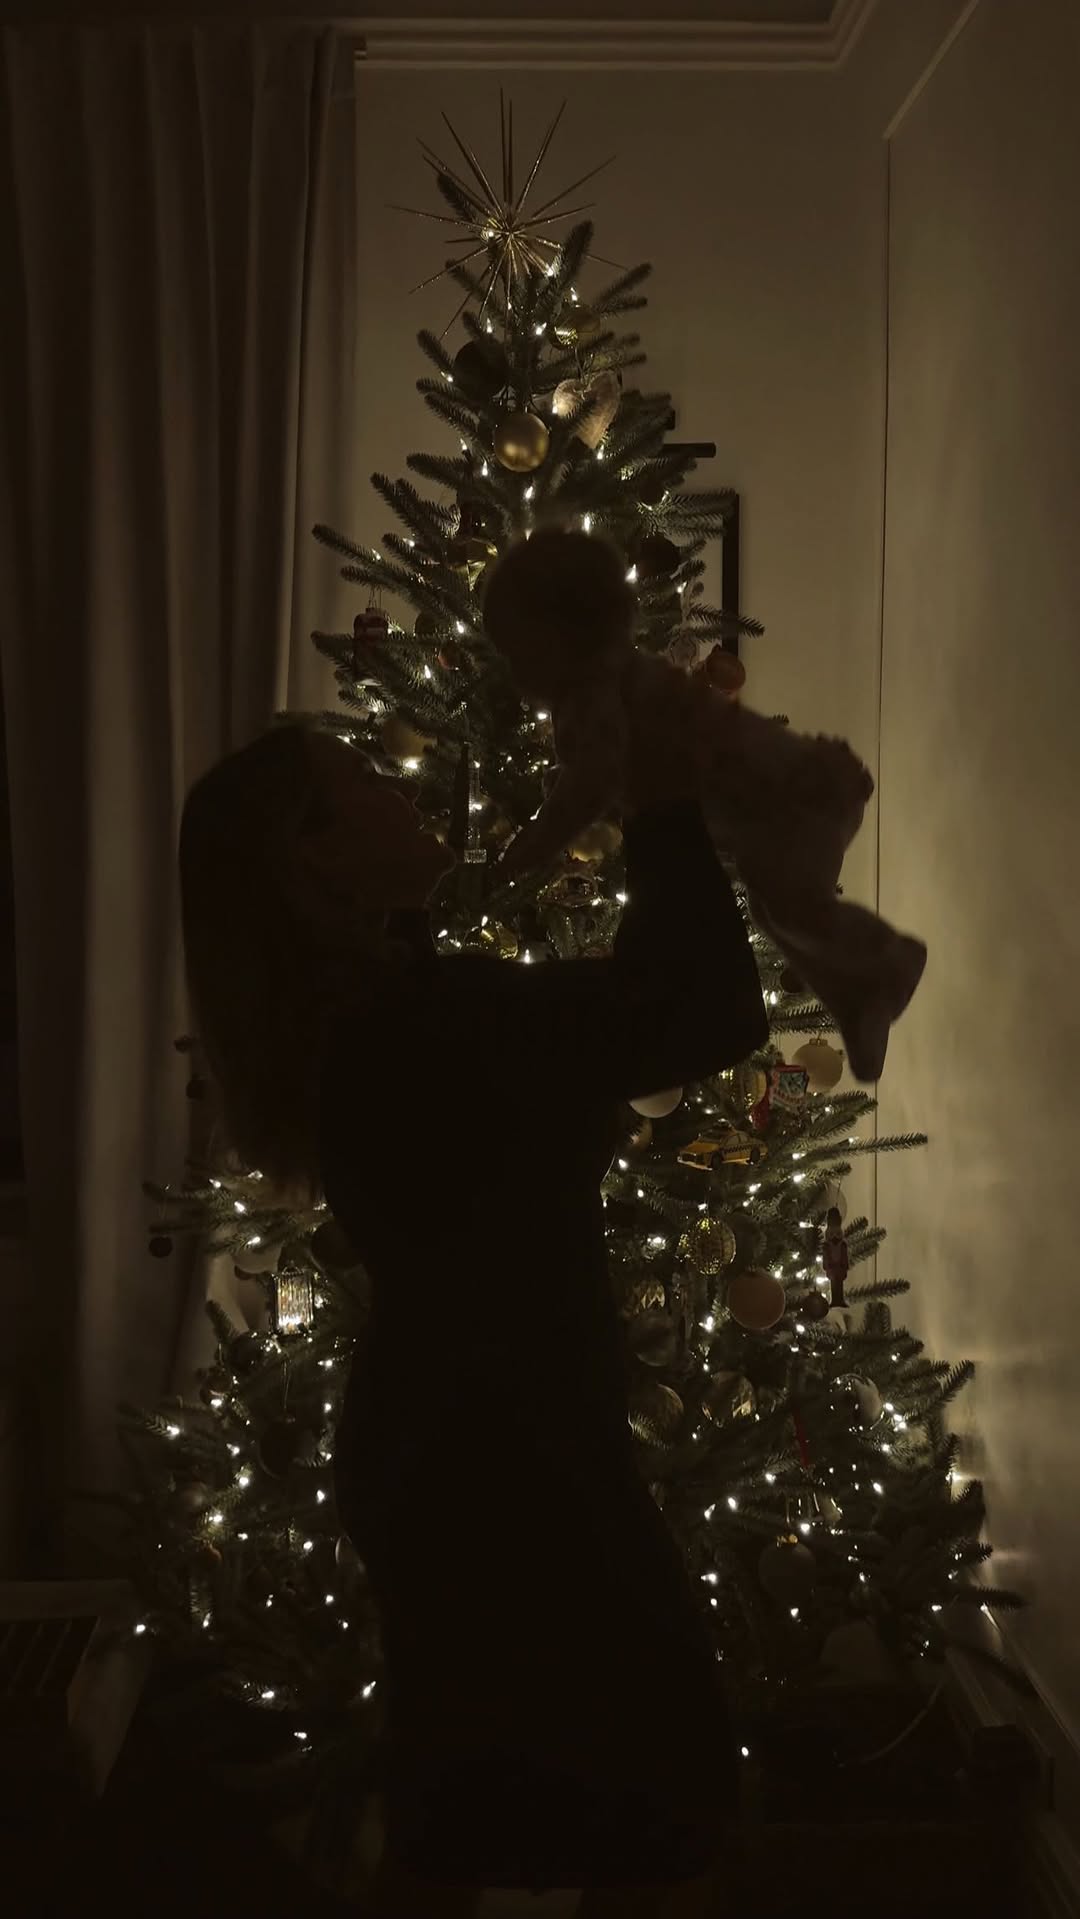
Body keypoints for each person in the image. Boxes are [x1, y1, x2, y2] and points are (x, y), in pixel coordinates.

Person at [179, 719, 769, 1917]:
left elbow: (628, 1016)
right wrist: (660, 807)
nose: (396, 781)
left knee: (480, 1808)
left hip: (473, 1445)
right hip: (498, 1462)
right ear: (315, 856)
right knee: (656, 1802)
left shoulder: (401, 1009)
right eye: (361, 780)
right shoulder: (417, 1025)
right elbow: (700, 1006)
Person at [484, 527, 927, 1084]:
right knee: (777, 910)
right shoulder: (617, 681)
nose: (515, 671)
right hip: (794, 795)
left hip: (795, 797)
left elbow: (589, 786)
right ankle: (860, 1002)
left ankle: (889, 962)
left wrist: (523, 854)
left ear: (562, 636)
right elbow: (602, 773)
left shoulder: (595, 695)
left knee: (790, 906)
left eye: (518, 651)